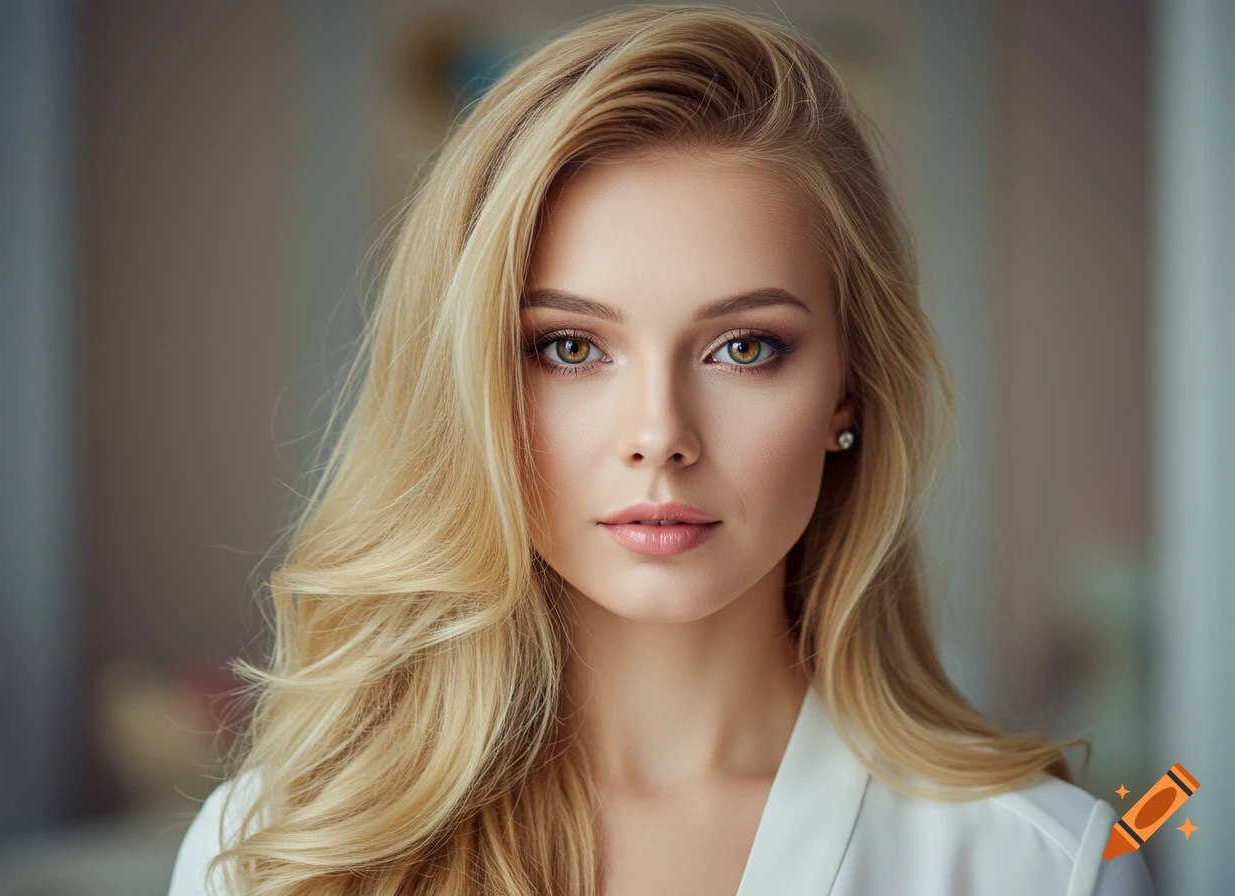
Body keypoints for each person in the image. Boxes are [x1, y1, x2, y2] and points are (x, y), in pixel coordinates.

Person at [167, 6, 1158, 895]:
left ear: (846, 391)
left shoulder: (1045, 865)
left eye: (744, 348)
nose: (658, 437)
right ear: (470, 384)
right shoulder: (274, 853)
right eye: (569, 347)